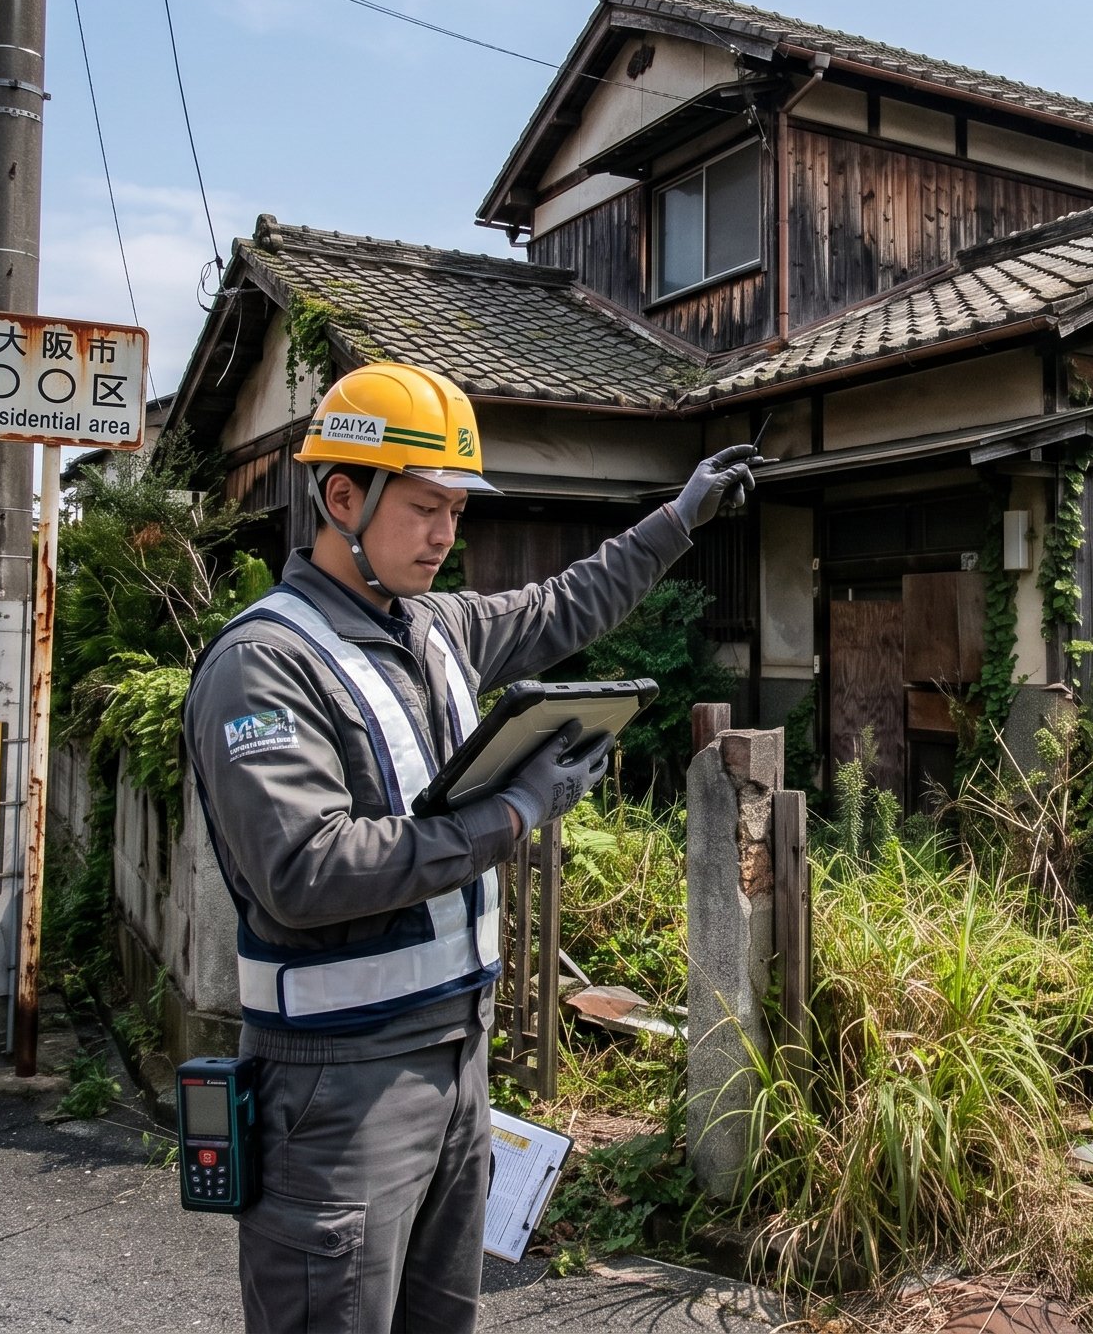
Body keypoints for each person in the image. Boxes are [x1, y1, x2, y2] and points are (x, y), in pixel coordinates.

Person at [180, 361, 755, 1333]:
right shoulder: (263, 663)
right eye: (423, 506)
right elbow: (303, 871)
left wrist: (680, 518)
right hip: (335, 1086)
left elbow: (568, 604)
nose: (447, 532)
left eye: (456, 507)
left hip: (458, 1064)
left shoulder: (439, 628)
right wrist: (512, 815)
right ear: (341, 497)